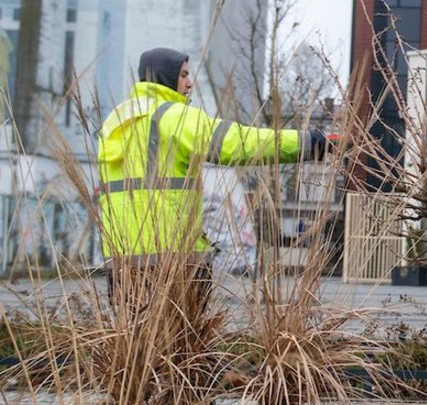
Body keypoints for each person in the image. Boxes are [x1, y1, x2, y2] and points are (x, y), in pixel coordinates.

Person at [98, 47, 329, 278]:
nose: (190, 83)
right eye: (183, 75)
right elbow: (239, 143)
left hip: (121, 261)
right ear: (164, 77)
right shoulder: (174, 116)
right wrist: (304, 143)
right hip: (173, 258)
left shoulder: (114, 121)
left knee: (135, 315)